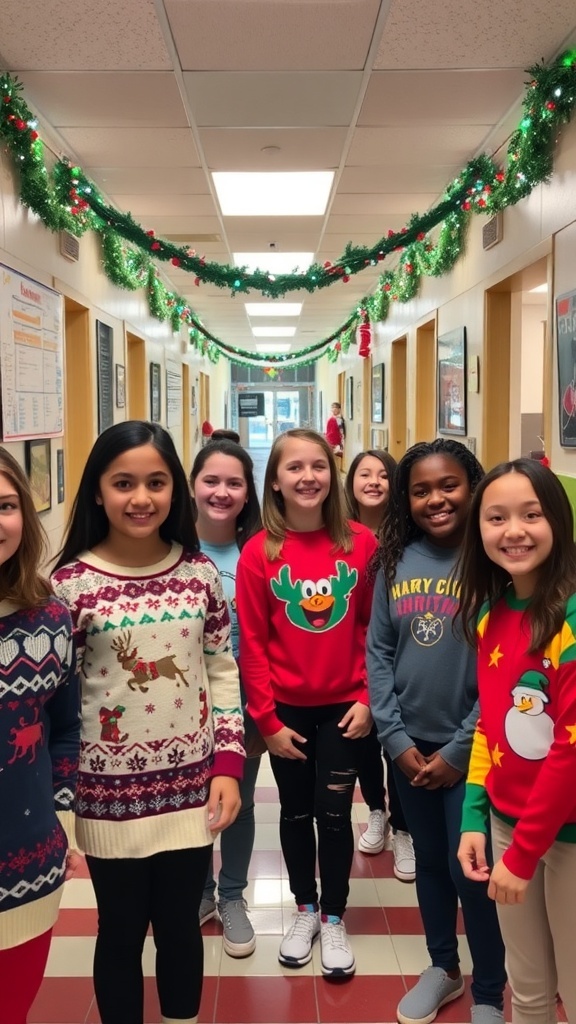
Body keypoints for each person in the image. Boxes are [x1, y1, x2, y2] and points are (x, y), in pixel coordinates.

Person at [51, 421, 244, 1024]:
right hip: (107, 799)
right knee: (120, 933)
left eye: (157, 482)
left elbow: (220, 669)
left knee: (182, 930)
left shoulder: (199, 574)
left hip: (190, 792)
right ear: (98, 491)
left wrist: (230, 766)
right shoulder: (69, 587)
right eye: (124, 483)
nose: (141, 497)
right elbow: (58, 704)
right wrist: (62, 799)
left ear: (174, 491)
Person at [366, 438, 506, 1024]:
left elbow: (502, 669)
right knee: (428, 862)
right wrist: (395, 741)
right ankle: (444, 967)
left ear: (472, 487)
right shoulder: (395, 561)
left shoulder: (493, 562)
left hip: (470, 753)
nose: (436, 499)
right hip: (408, 750)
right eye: (420, 490)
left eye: (449, 485)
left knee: (467, 870)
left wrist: (456, 749)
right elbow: (378, 652)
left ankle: (491, 992)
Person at [236, 428, 377, 978]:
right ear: (274, 480)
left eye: (318, 465)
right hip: (285, 715)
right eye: (294, 467)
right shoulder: (259, 553)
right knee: (295, 813)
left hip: (345, 708)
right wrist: (266, 722)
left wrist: (368, 698)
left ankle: (336, 916)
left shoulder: (361, 544)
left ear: (332, 474)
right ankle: (305, 909)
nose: (307, 477)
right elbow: (253, 644)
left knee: (336, 814)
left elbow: (375, 629)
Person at [457, 459, 576, 1024]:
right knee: (526, 990)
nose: (514, 531)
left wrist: (524, 853)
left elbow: (571, 750)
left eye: (531, 515)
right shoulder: (489, 615)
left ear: (557, 519)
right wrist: (474, 817)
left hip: (566, 838)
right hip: (508, 826)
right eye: (496, 517)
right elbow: (489, 726)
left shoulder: (571, 616)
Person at [0, 446, 80, 1024]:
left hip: (26, 871)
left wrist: (61, 819)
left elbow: (66, 731)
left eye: (4, 505)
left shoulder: (48, 617)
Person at [189, 439, 262, 958]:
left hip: (246, 704)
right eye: (211, 481)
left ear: (248, 490)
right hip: (183, 705)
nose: (221, 492)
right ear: (192, 486)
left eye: (234, 482)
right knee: (193, 803)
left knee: (239, 800)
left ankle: (233, 894)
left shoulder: (259, 550)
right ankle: (200, 894)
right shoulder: (174, 551)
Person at [345, 450, 415, 880]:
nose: (373, 481)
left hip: (399, 656)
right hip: (353, 661)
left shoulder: (407, 535)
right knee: (364, 745)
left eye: (383, 475)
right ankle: (376, 812)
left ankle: (403, 827)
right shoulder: (337, 533)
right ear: (349, 481)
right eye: (364, 474)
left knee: (397, 743)